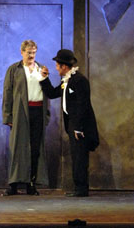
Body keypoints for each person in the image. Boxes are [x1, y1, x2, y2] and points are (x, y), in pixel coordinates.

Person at [40, 48, 98, 197]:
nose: (56, 68)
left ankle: (81, 189)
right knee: (76, 156)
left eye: (57, 65)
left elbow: (82, 105)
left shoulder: (79, 80)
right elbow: (53, 93)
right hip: (73, 124)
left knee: (80, 157)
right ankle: (79, 188)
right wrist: (44, 79)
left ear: (64, 66)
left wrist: (78, 128)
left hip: (80, 125)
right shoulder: (67, 80)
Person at [2, 39, 50, 195]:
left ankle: (31, 184)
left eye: (34, 53)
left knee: (35, 149)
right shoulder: (14, 70)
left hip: (37, 111)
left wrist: (46, 115)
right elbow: (7, 93)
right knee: (17, 148)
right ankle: (13, 185)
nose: (31, 56)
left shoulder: (41, 69)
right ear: (22, 52)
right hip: (20, 112)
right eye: (29, 52)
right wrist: (8, 116)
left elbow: (47, 92)